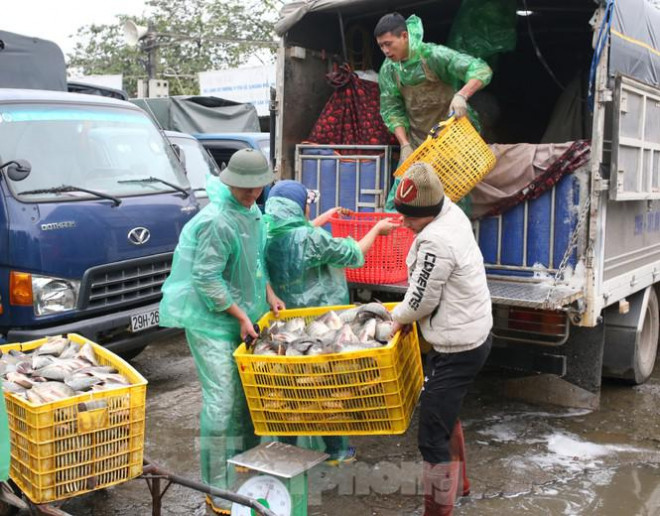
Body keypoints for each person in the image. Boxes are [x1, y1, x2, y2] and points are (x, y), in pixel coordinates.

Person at [159, 149, 285, 515]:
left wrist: (269, 294)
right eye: (243, 188)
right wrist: (238, 314)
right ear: (229, 181)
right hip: (211, 322)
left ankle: (243, 469)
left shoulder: (253, 212)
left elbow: (255, 262)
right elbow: (206, 278)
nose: (250, 194)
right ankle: (215, 485)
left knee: (247, 397)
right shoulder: (216, 220)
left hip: (243, 316)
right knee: (222, 400)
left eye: (256, 187)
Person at [263, 180, 399, 463]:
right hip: (321, 324)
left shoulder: (267, 233)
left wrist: (326, 216)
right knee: (327, 386)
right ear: (299, 206)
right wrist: (376, 229)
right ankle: (336, 451)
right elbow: (354, 253)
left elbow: (298, 233)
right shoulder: (312, 239)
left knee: (290, 388)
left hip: (288, 326)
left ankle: (287, 449)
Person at [389, 163, 492, 515]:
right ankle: (460, 487)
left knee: (431, 435)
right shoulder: (451, 212)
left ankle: (438, 511)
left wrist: (395, 319)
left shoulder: (436, 239)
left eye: (409, 218)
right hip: (472, 333)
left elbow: (420, 299)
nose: (404, 223)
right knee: (444, 414)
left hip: (457, 347)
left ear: (428, 214)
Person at [374, 12, 493, 211]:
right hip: (418, 144)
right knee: (400, 206)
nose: (385, 50)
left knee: (449, 206)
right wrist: (404, 145)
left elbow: (480, 69)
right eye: (381, 46)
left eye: (388, 43)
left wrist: (462, 95)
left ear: (404, 36)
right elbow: (391, 108)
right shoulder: (389, 70)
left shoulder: (433, 55)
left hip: (451, 140)